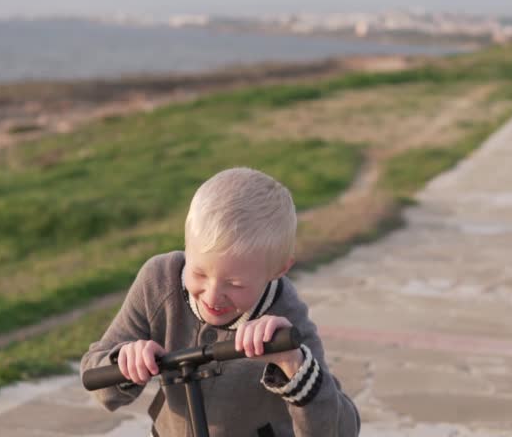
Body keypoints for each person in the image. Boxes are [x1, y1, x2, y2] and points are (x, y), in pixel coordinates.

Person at [81, 167, 361, 437]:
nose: (212, 296)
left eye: (235, 284)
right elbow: (97, 384)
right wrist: (124, 361)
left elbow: (343, 429)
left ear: (278, 271)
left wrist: (293, 364)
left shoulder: (284, 318)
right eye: (199, 272)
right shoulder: (159, 281)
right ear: (186, 248)